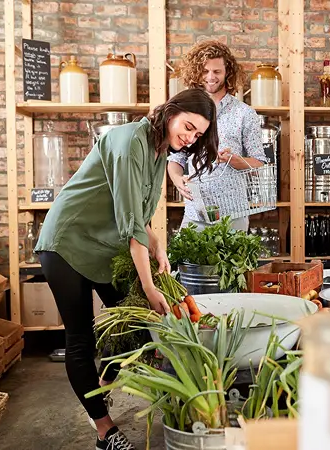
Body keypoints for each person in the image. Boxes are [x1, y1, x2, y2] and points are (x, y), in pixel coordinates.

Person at [34, 89, 218, 450]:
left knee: (130, 331)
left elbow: (140, 218)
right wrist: (149, 288)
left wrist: (158, 244)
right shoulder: (129, 141)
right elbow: (131, 226)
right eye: (188, 126)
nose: (190, 137)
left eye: (197, 135)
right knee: (81, 339)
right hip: (67, 242)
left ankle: (98, 392)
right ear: (171, 111)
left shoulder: (158, 148)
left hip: (102, 247)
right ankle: (105, 430)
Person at [168, 40, 267, 232]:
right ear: (197, 73)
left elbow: (259, 164)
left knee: (234, 263)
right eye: (205, 71)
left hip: (234, 213)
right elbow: (176, 158)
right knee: (187, 262)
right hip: (195, 211)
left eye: (217, 72)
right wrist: (177, 180)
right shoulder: (187, 110)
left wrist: (234, 160)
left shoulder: (245, 113)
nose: (210, 77)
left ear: (227, 72)